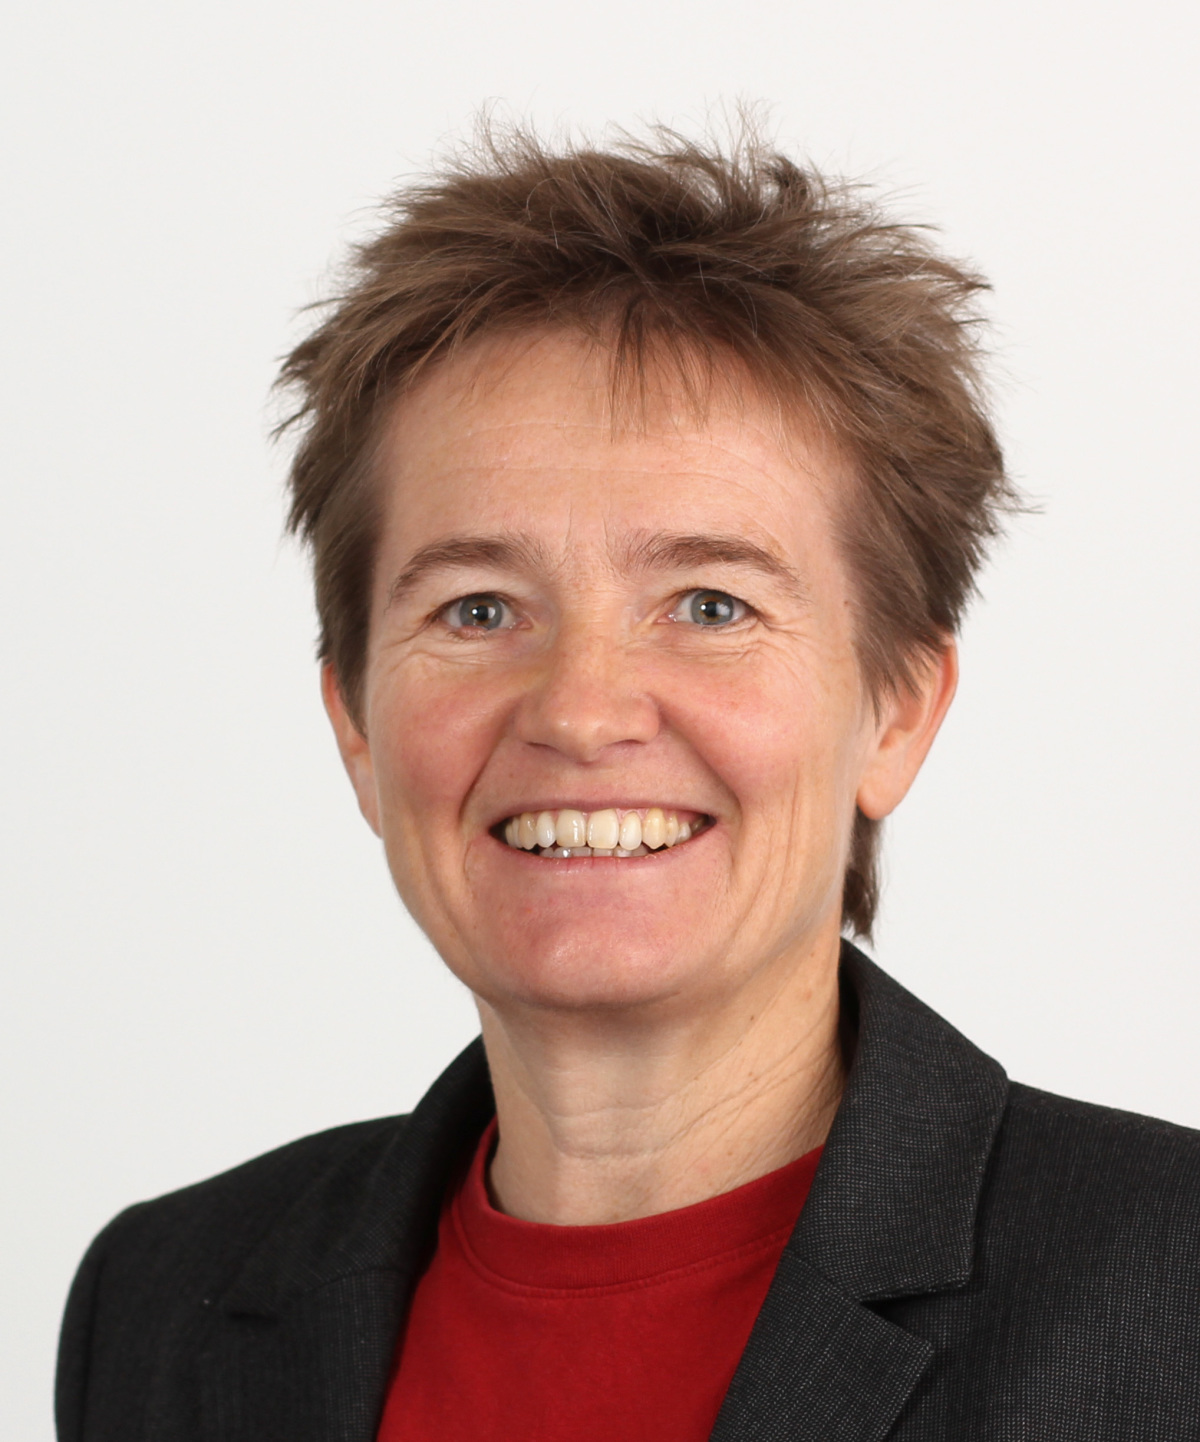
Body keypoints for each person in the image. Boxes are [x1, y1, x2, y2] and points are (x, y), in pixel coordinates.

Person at [56, 125, 1200, 1442]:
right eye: (478, 609)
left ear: (897, 710)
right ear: (356, 726)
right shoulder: (161, 1303)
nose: (582, 711)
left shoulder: (1171, 1296)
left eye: (710, 604)